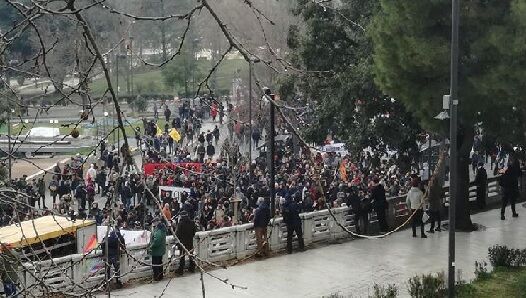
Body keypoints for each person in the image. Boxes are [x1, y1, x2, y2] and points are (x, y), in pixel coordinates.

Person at [500, 155, 522, 220]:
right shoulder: (514, 169)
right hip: (512, 189)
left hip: (505, 189)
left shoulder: (504, 170)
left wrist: (502, 185)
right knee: (512, 202)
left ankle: (502, 215)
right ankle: (514, 213)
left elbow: (500, 179)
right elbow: (519, 174)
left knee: (504, 203)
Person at [175, 210, 196, 275]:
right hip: (190, 241)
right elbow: (194, 232)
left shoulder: (180, 223)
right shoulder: (192, 222)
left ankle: (181, 270)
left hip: (182, 243)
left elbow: (177, 234)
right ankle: (192, 268)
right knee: (191, 255)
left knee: (182, 256)